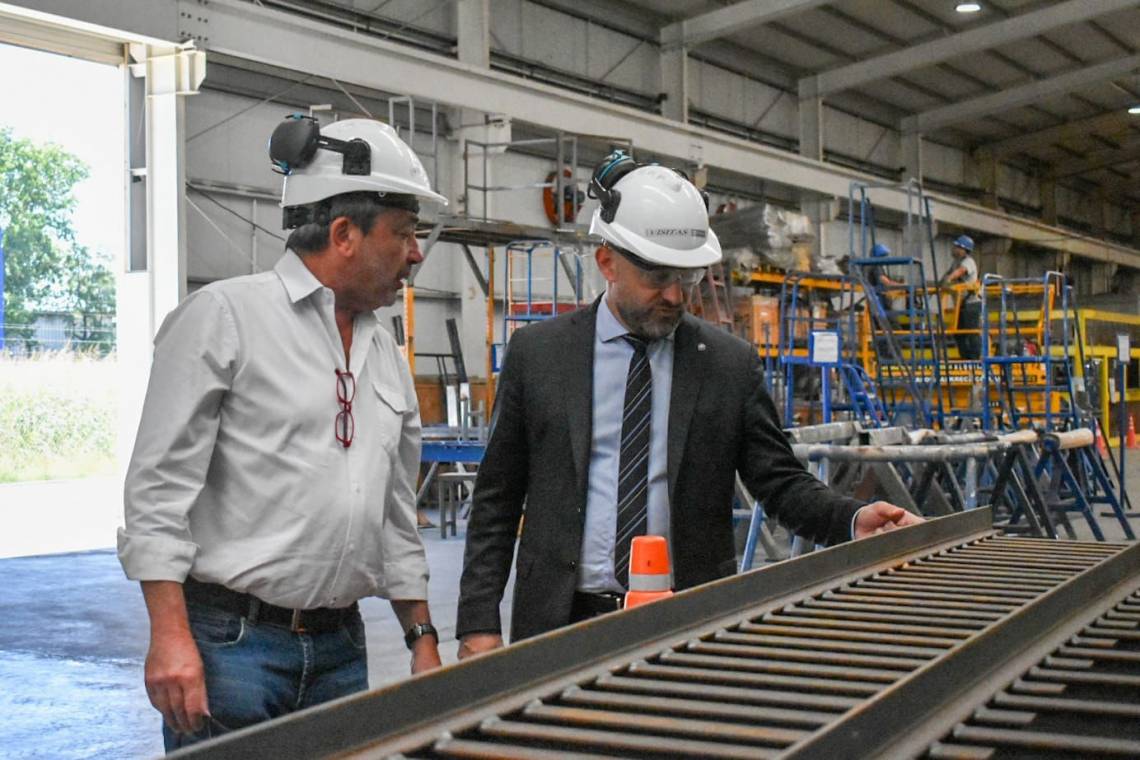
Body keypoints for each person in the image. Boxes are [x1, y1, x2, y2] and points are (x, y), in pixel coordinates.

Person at [455, 152, 923, 654]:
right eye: (658, 276)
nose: (677, 296)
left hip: (688, 621)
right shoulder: (540, 355)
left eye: (690, 277)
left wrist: (850, 520)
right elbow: (497, 498)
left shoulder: (727, 364)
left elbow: (778, 481)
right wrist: (478, 622)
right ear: (608, 261)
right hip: (559, 619)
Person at [118, 116, 446, 751]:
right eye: (404, 234)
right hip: (230, 647)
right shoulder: (224, 319)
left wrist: (421, 640)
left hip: (343, 651)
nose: (416, 253)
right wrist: (169, 635)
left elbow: (397, 517)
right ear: (345, 233)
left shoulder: (385, 352)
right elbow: (156, 493)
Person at [943, 235, 981, 358]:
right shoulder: (956, 262)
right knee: (959, 333)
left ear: (963, 249)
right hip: (961, 304)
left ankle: (975, 360)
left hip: (971, 304)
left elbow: (960, 271)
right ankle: (966, 358)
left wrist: (949, 279)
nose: (953, 249)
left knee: (971, 332)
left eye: (956, 247)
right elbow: (947, 275)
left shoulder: (968, 262)